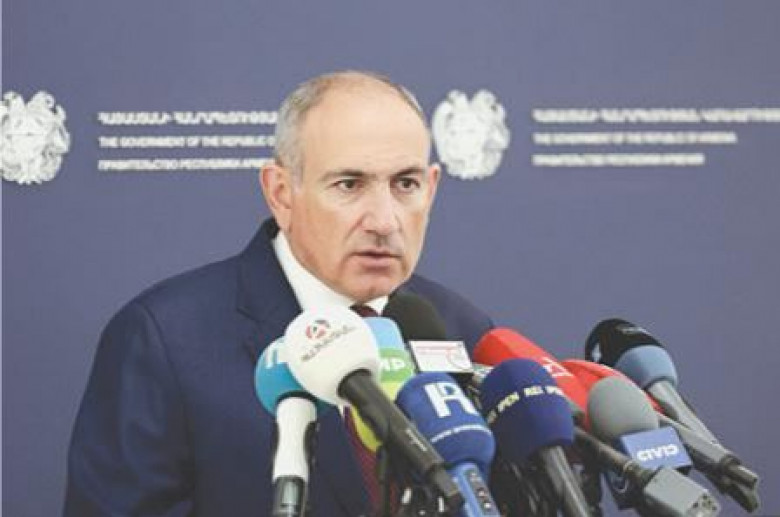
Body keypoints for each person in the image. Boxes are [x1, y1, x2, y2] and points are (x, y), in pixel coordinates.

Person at [65, 70, 494, 516]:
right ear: (281, 193)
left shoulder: (464, 331)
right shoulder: (166, 341)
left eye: (405, 184)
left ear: (432, 188)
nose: (384, 221)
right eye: (349, 185)